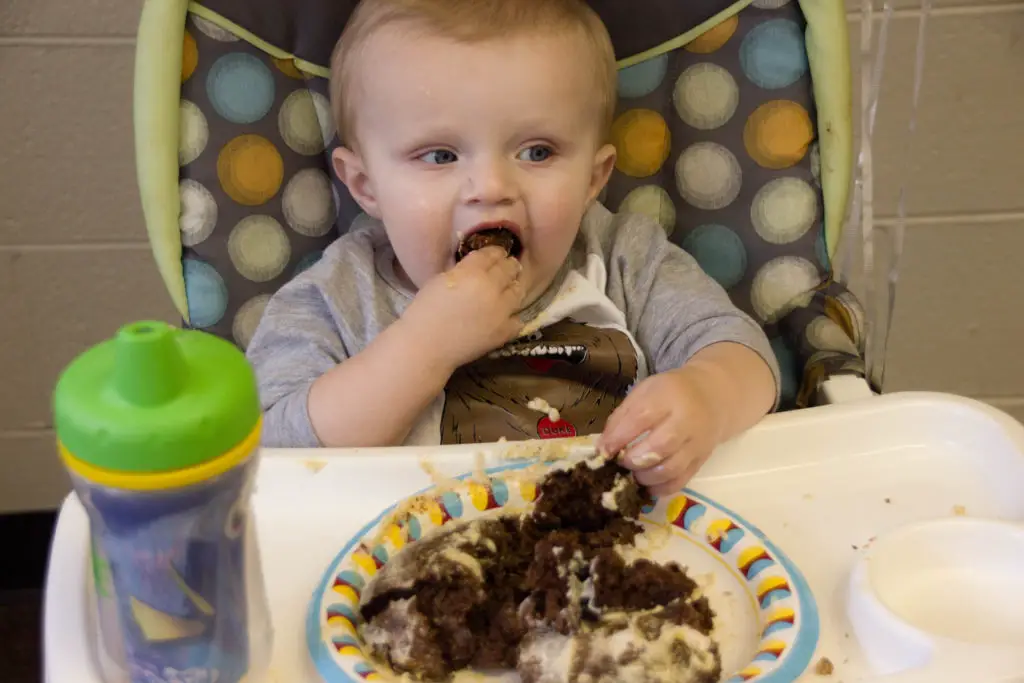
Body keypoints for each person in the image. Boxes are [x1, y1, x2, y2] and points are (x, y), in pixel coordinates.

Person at [245, 0, 780, 495]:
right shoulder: (334, 298)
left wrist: (707, 397)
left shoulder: (622, 258)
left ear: (594, 178)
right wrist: (422, 348)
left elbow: (743, 350)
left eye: (537, 151)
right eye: (439, 156)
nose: (492, 187)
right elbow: (274, 452)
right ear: (364, 186)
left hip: (618, 546)